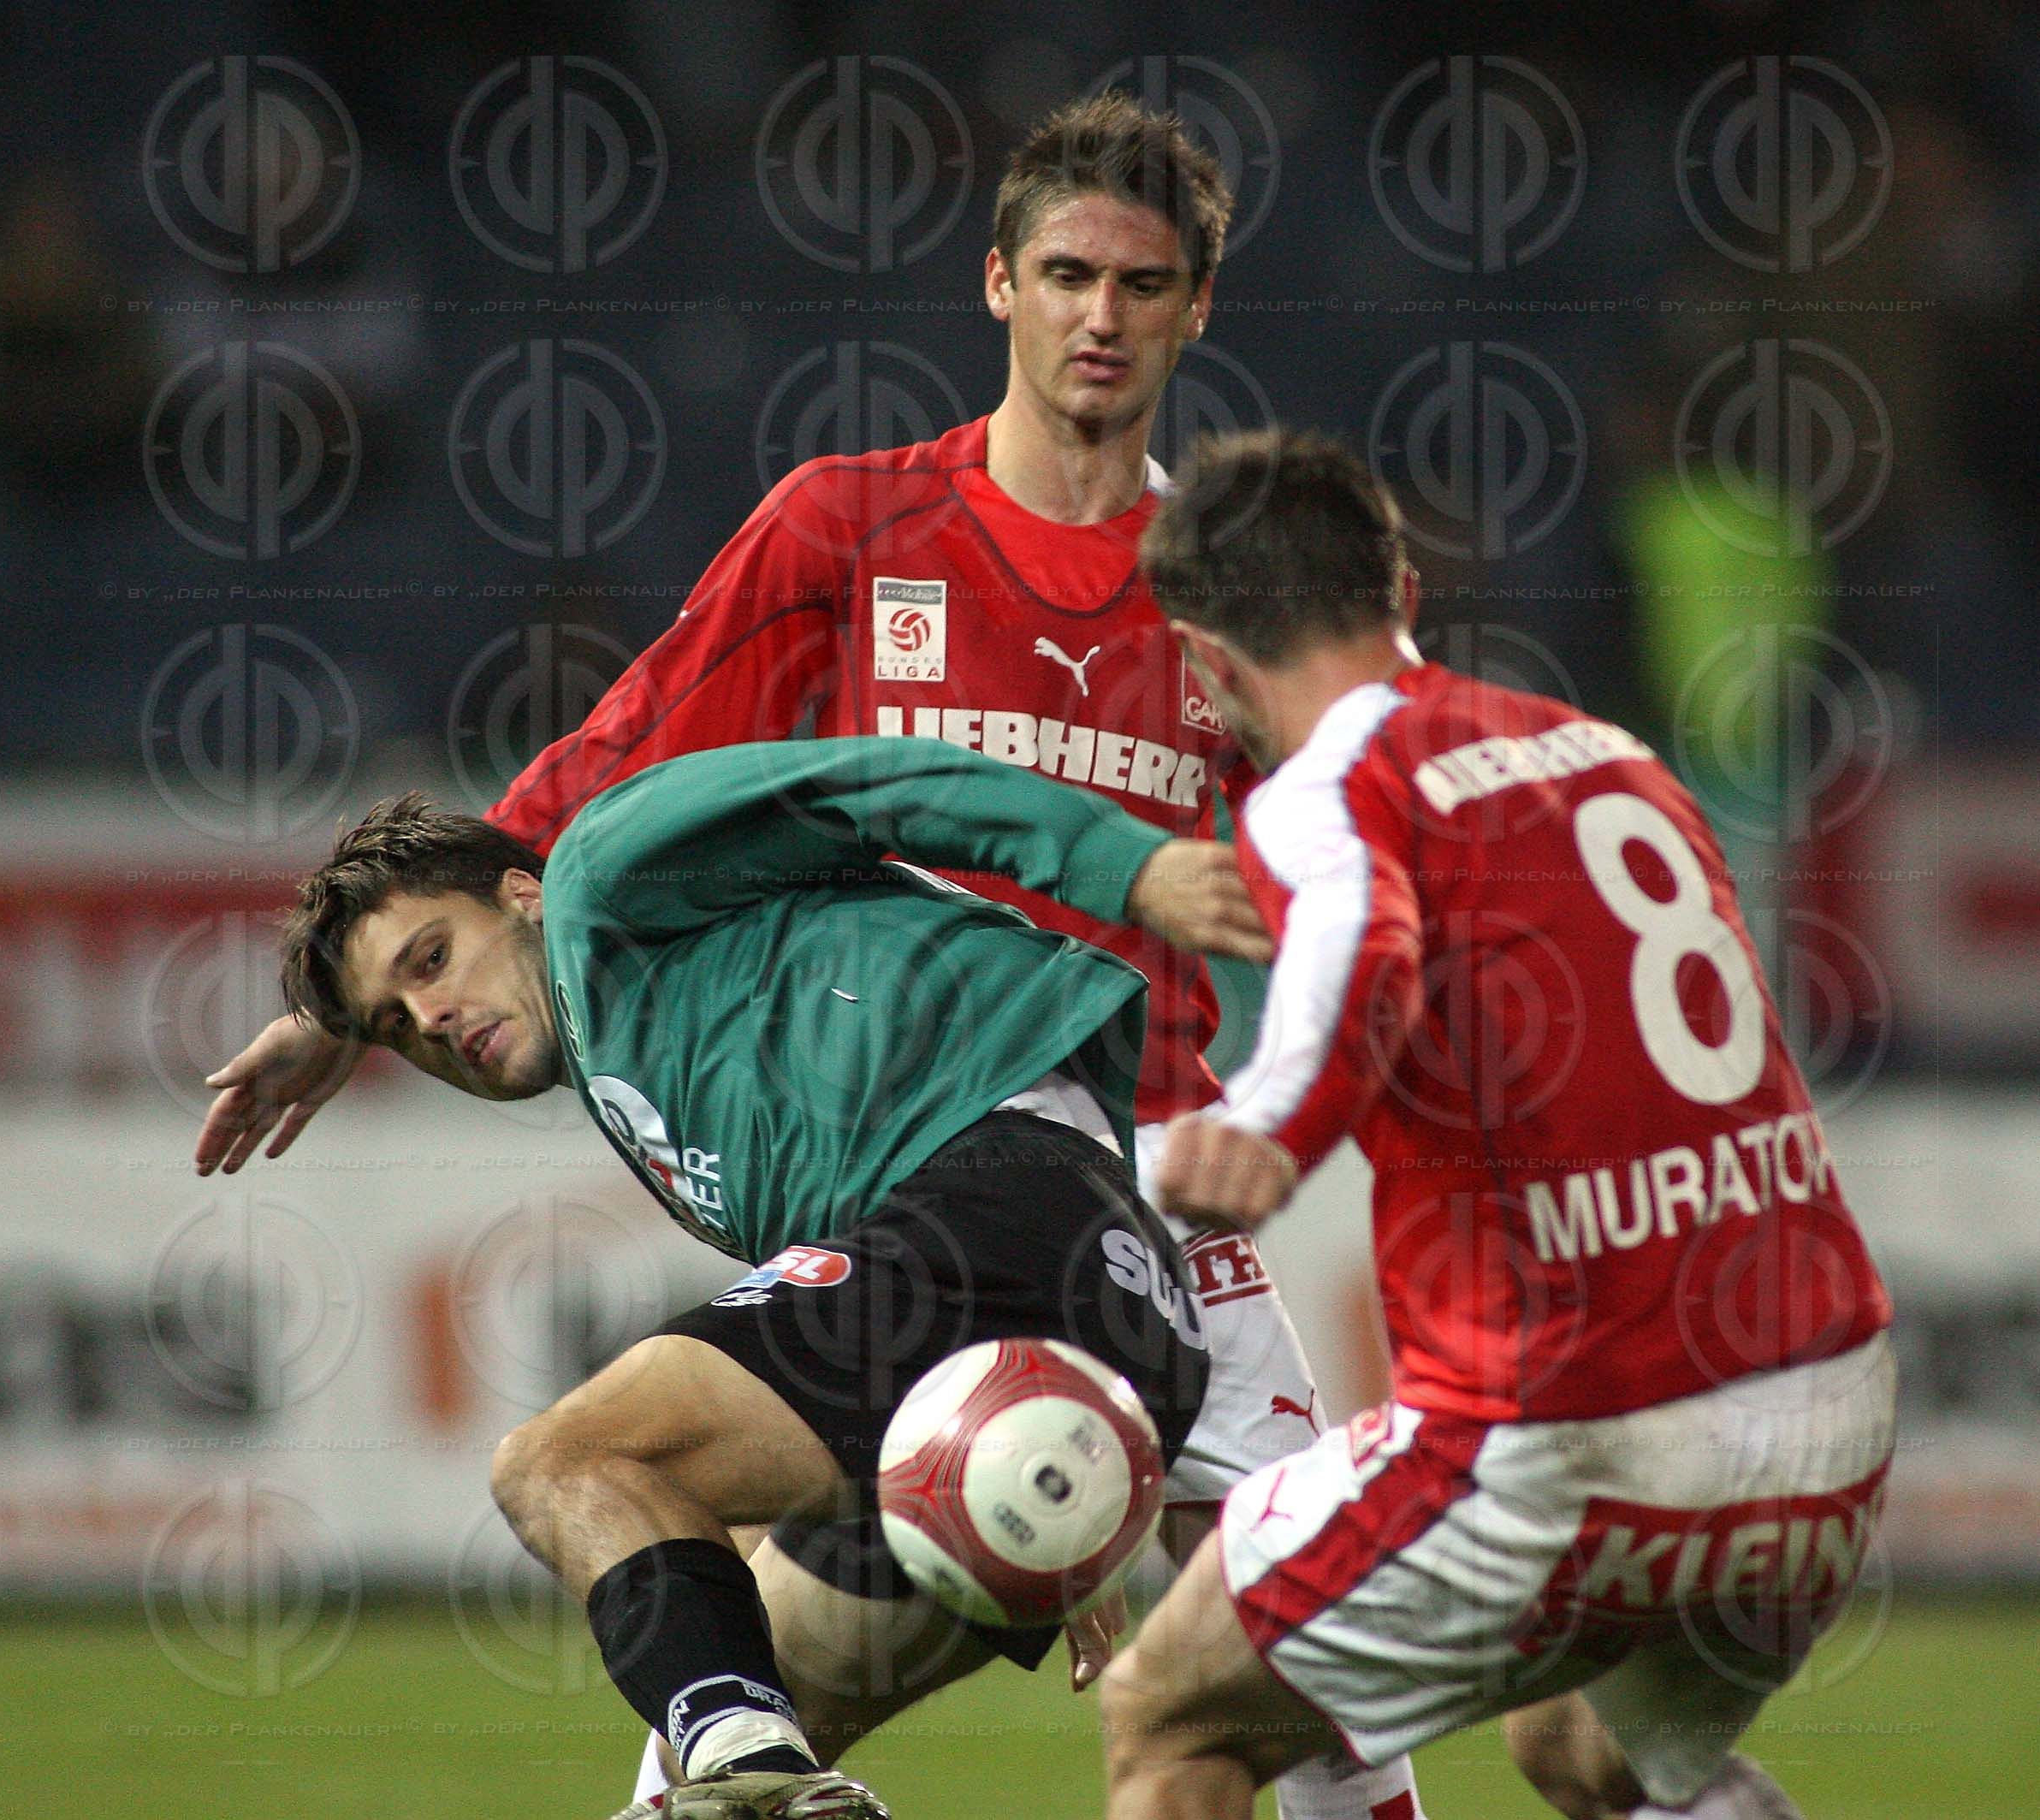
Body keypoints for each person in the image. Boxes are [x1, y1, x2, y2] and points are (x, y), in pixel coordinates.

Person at [198, 92, 1420, 1820]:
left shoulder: (1234, 584)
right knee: (727, 1708)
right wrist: (347, 1013)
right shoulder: (848, 528)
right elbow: (598, 785)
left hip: (1148, 1174)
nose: (1100, 316)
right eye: (1065, 272)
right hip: (894, 1181)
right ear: (997, 282)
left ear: (1197, 308)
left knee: (1318, 1683)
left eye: (1143, 286)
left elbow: (1380, 847)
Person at [1098, 429, 1896, 1820]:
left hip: (1579, 1424)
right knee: (1581, 1746)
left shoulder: (1328, 790)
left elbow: (1362, 943)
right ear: (1401, 584)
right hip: (1822, 1405)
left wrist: (1274, 1119)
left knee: (1167, 1709)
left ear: (1206, 662)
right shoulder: (1610, 754)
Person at [279, 734, 1243, 1820]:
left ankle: (748, 1763)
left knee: (565, 1463)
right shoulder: (648, 1056)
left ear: (518, 892)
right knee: (723, 1718)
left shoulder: (600, 865)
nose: (432, 1022)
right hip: (1088, 1325)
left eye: (430, 960)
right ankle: (756, 1766)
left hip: (1009, 1216)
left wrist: (1127, 865)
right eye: (393, 1028)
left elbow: (876, 784)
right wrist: (1058, 1479)